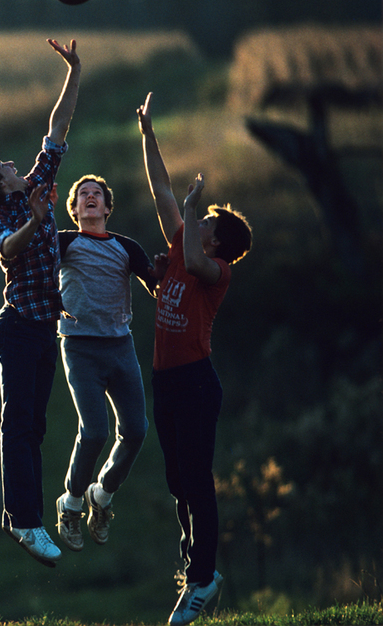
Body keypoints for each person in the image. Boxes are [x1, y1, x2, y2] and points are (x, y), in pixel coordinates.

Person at [0, 37, 80, 568]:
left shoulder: (38, 182)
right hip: (15, 328)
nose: (17, 163)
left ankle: (25, 519)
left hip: (44, 327)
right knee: (18, 421)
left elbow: (57, 129)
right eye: (6, 164)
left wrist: (73, 71)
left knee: (35, 426)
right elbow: (8, 252)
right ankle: (25, 521)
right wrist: (35, 218)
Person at [137, 92, 252, 626]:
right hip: (166, 381)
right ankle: (195, 572)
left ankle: (205, 578)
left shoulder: (217, 272)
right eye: (200, 217)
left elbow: (187, 254)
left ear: (218, 242)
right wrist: (148, 135)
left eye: (206, 220)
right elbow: (161, 188)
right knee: (178, 481)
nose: (197, 221)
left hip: (196, 383)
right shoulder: (186, 242)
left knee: (197, 479)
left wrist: (193, 203)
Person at [53, 174, 159, 553]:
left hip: (120, 346)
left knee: (135, 430)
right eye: (83, 195)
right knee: (95, 430)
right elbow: (34, 260)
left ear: (108, 208)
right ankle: (72, 503)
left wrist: (164, 271)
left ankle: (103, 495)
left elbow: (155, 283)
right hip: (80, 348)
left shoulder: (126, 247)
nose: (90, 197)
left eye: (97, 194)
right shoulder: (65, 242)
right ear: (75, 209)